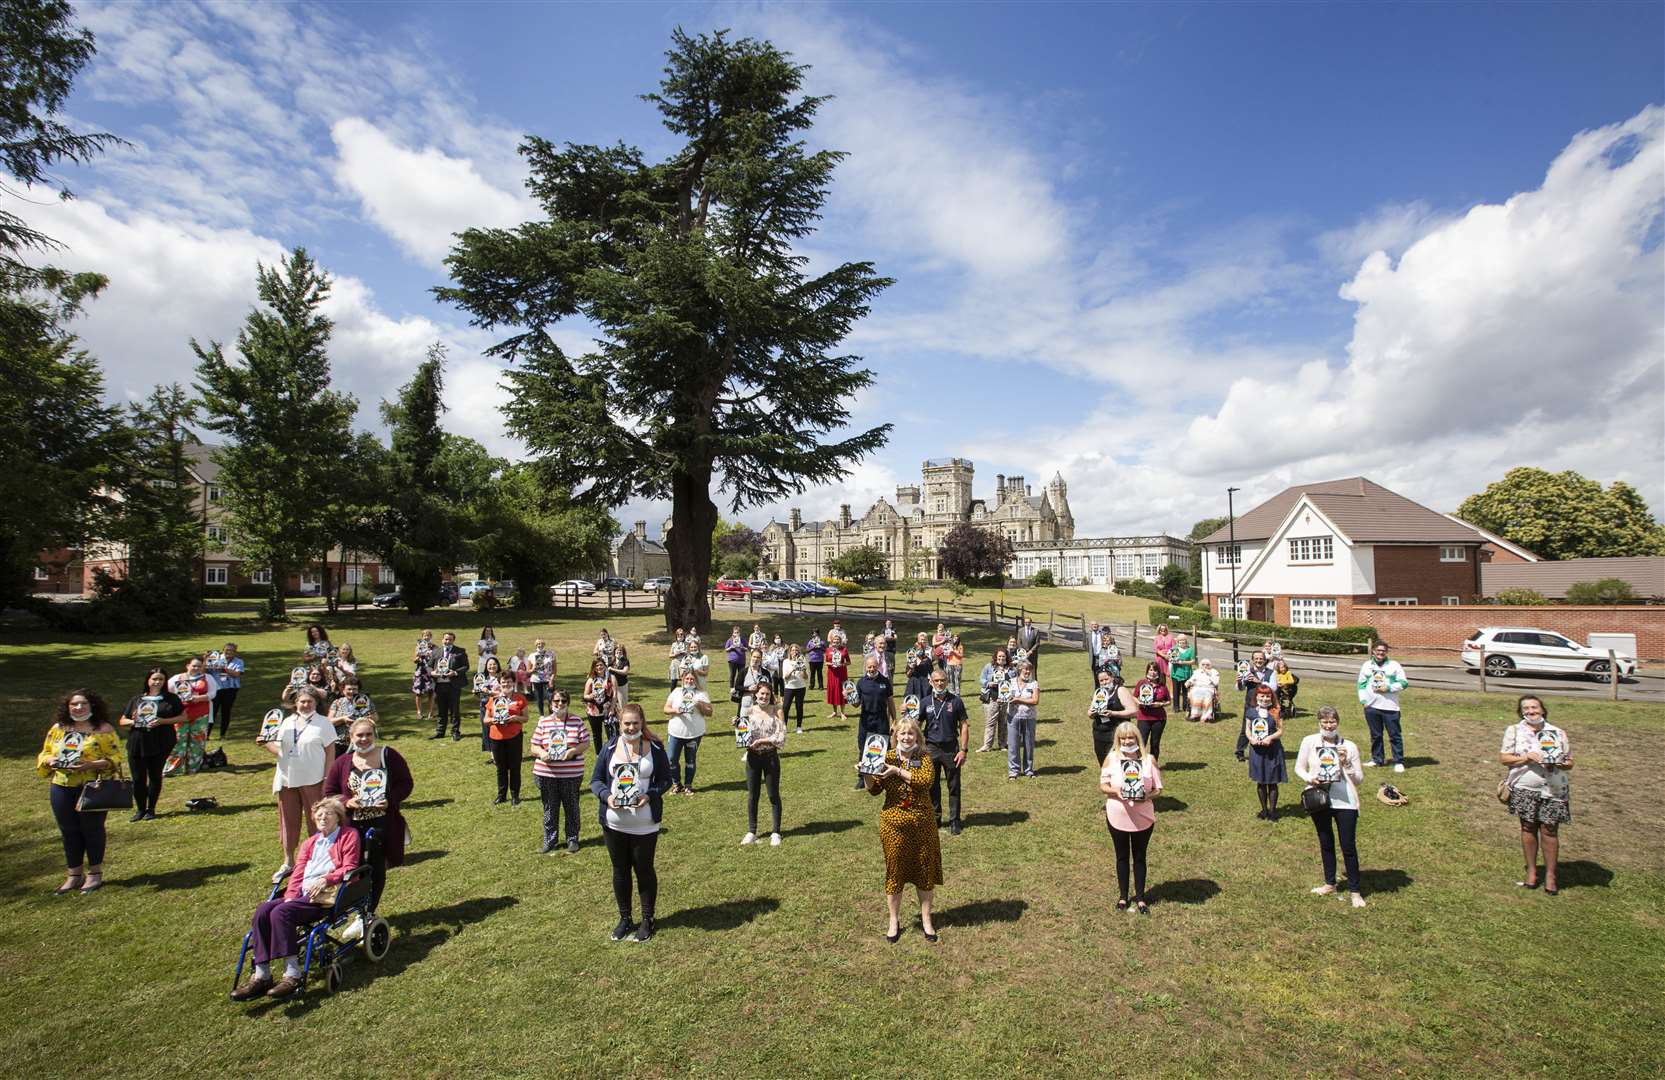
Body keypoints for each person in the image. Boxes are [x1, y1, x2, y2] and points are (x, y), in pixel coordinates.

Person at [230, 797, 361, 1001]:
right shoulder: (310, 842)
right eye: (319, 815)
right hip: (302, 894)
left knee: (281, 912)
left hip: (326, 895)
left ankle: (293, 974)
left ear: (338, 817)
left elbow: (350, 867)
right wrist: (290, 896)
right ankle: (262, 974)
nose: (323, 818)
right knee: (263, 910)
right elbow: (298, 872)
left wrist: (326, 879)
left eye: (328, 814)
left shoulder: (348, 835)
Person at [590, 703, 673, 942]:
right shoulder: (609, 747)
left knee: (644, 870)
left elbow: (666, 779)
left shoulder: (654, 747)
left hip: (645, 823)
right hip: (614, 822)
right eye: (627, 723)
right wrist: (607, 797)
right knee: (620, 870)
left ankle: (648, 919)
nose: (631, 727)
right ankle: (625, 918)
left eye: (635, 723)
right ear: (619, 723)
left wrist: (650, 795)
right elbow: (595, 781)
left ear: (642, 723)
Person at [862, 715, 942, 942]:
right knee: (895, 870)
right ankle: (893, 920)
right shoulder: (885, 757)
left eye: (910, 733)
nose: (906, 737)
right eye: (902, 733)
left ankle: (927, 919)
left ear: (917, 735)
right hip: (893, 824)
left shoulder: (924, 756)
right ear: (895, 737)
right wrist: (867, 772)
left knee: (924, 870)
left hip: (922, 823)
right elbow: (874, 789)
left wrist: (897, 772)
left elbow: (924, 782)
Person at [37, 689, 122, 894]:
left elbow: (116, 758)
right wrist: (50, 761)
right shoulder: (59, 728)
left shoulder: (102, 729)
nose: (78, 707)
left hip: (92, 788)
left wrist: (90, 765)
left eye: (83, 704)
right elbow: (45, 752)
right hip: (62, 787)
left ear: (92, 706)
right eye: (73, 704)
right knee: (69, 832)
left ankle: (94, 874)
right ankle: (74, 875)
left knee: (92, 830)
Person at [323, 718, 413, 910]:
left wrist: (391, 800)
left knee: (375, 867)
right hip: (352, 826)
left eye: (368, 734)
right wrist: (346, 802)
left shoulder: (388, 755)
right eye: (359, 735)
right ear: (351, 737)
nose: (364, 739)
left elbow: (406, 783)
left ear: (375, 734)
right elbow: (329, 791)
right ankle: (358, 908)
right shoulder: (342, 762)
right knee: (354, 868)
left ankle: (369, 911)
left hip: (382, 823)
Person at [1499, 695, 1573, 895]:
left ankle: (1550, 875)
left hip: (1554, 788)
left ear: (1542, 709)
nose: (1531, 711)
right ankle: (1531, 871)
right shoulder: (1514, 731)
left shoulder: (1557, 732)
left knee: (1550, 830)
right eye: (1526, 708)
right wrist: (1526, 757)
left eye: (1534, 707)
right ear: (1522, 712)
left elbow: (1570, 762)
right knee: (1528, 826)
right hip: (1525, 786)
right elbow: (1504, 758)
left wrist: (1558, 761)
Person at [1295, 705, 1367, 908]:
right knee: (1325, 842)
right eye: (1324, 722)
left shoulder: (1349, 746)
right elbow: (1299, 767)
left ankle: (1355, 891)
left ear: (1338, 722)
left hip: (1345, 802)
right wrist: (1311, 778)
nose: (1328, 725)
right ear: (1319, 723)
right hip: (1320, 799)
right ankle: (1330, 883)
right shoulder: (1309, 742)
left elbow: (1359, 779)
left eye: (1332, 721)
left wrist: (1346, 763)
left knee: (1348, 846)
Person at [263, 687, 337, 883]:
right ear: (295, 703)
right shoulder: (286, 722)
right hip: (287, 778)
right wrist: (265, 743)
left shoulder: (324, 724)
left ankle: (318, 859)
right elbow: (277, 748)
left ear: (315, 703)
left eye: (309, 702)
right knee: (288, 820)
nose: (305, 705)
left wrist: (326, 779)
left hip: (313, 779)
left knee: (317, 820)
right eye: (302, 701)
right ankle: (288, 861)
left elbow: (330, 753)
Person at [1100, 721, 1163, 913]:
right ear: (1118, 740)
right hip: (1117, 814)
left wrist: (1147, 795)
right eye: (1123, 738)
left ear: (1137, 738)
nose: (1127, 741)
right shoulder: (1111, 758)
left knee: (1139, 856)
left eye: (1131, 737)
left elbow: (1158, 789)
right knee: (1121, 856)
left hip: (1142, 816)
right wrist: (1115, 792)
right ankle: (1122, 896)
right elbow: (1103, 785)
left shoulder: (1149, 760)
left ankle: (1141, 898)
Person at [119, 668, 184, 821]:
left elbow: (184, 716)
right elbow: (122, 721)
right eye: (154, 679)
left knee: (155, 776)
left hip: (161, 742)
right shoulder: (137, 699)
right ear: (148, 680)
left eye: (161, 679)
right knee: (138, 778)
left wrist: (163, 721)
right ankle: (140, 809)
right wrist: (134, 721)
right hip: (138, 742)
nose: (157, 682)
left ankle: (151, 809)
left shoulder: (171, 698)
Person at [531, 690, 591, 854]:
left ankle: (572, 839)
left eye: (563, 701)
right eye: (556, 701)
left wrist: (572, 751)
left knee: (571, 807)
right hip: (547, 773)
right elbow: (534, 746)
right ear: (551, 703)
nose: (560, 704)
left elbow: (585, 743)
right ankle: (550, 840)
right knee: (550, 807)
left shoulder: (577, 721)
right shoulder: (543, 723)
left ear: (568, 702)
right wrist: (542, 753)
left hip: (570, 774)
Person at [921, 669, 969, 835]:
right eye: (936, 681)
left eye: (942, 680)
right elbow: (915, 725)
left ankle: (955, 820)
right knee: (932, 786)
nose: (940, 683)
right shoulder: (925, 701)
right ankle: (936, 818)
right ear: (931, 682)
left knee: (954, 786)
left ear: (947, 681)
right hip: (931, 749)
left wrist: (963, 750)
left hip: (951, 749)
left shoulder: (955, 701)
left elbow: (963, 725)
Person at [739, 683, 787, 846]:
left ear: (771, 695)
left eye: (767, 694)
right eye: (761, 694)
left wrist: (763, 740)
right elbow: (743, 733)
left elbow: (781, 736)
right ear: (756, 695)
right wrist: (738, 727)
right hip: (753, 758)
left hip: (770, 757)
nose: (764, 697)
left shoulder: (776, 711)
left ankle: (776, 832)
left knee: (773, 795)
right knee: (753, 795)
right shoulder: (748, 711)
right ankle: (752, 831)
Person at [1357, 641, 1409, 772]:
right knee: (1376, 735)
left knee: (1394, 735)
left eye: (1383, 651)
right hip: (1371, 707)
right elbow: (1361, 684)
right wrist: (1363, 701)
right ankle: (1377, 759)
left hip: (1390, 707)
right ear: (1373, 651)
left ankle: (1398, 761)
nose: (1380, 653)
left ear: (1387, 652)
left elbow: (1404, 683)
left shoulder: (1394, 665)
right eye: (1378, 650)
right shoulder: (1367, 665)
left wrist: (1389, 688)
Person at [164, 655, 218, 776]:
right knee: (178, 741)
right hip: (181, 714)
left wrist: (198, 698)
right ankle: (173, 769)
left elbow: (213, 693)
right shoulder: (177, 678)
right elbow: (166, 692)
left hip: (201, 714)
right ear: (188, 666)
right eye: (194, 665)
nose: (196, 668)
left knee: (197, 742)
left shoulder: (207, 678)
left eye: (199, 666)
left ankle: (193, 768)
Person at [662, 670, 712, 795]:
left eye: (692, 679)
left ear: (696, 680)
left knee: (690, 760)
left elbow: (710, 712)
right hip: (676, 732)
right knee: (671, 759)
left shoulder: (701, 694)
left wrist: (699, 704)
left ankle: (688, 785)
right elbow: (665, 709)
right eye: (687, 679)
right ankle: (676, 784)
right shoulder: (676, 692)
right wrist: (674, 710)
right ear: (683, 680)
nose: (689, 681)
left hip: (694, 733)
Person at [852, 655, 896, 789]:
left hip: (882, 718)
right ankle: (862, 777)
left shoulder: (885, 681)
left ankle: (887, 776)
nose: (871, 669)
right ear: (866, 667)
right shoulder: (861, 682)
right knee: (864, 747)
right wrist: (850, 698)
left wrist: (894, 719)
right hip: (866, 719)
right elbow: (856, 704)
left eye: (874, 666)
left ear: (878, 666)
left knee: (885, 747)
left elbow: (890, 701)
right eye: (869, 667)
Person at [1243, 685, 1286, 821]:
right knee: (1261, 782)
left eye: (1268, 696)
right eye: (1262, 695)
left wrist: (1269, 738)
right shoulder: (1250, 711)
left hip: (1272, 750)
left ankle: (1272, 812)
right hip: (1257, 751)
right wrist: (1251, 739)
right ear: (1256, 697)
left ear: (1271, 697)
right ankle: (1264, 809)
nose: (1265, 698)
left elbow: (1280, 731)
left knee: (1272, 782)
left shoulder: (1276, 711)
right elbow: (1247, 729)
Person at [484, 680, 528, 806]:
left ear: (513, 683)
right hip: (496, 737)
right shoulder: (494, 699)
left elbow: (526, 718)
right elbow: (485, 719)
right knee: (500, 768)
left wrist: (516, 718)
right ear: (500, 684)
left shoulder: (520, 698)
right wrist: (494, 719)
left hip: (514, 736)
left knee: (515, 767)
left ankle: (515, 795)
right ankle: (501, 795)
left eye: (509, 682)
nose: (506, 684)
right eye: (503, 682)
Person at [1088, 669, 1140, 766]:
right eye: (1101, 681)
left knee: (1118, 762)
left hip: (1117, 732)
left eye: (1106, 679)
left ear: (1112, 677)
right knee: (1103, 763)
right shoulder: (1099, 692)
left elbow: (1134, 711)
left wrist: (1113, 713)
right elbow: (1089, 712)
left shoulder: (1121, 690)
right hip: (1099, 732)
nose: (1104, 683)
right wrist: (1092, 713)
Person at [1234, 650, 1274, 760]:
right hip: (1251, 705)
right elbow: (1239, 689)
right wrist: (1238, 681)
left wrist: (1259, 682)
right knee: (1246, 728)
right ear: (1252, 660)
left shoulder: (1271, 672)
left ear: (1265, 660)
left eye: (1261, 658)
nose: (1258, 660)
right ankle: (1240, 751)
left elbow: (1274, 688)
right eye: (1256, 658)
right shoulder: (1247, 671)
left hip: (1267, 705)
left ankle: (1265, 750)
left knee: (1268, 727)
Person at [431, 631, 469, 740]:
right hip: (439, 685)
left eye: (450, 640)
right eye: (446, 639)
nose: (447, 641)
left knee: (454, 710)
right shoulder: (436, 651)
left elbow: (466, 666)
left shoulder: (460, 652)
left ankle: (455, 732)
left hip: (453, 685)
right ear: (442, 639)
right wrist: (432, 673)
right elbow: (429, 666)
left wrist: (455, 672)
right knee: (441, 709)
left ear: (453, 640)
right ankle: (440, 732)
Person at [977, 648, 1015, 753]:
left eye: (1003, 656)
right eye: (999, 656)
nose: (1001, 658)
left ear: (1006, 657)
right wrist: (988, 683)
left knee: (1003, 723)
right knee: (990, 722)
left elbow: (1016, 682)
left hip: (1005, 699)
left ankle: (1002, 744)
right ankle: (987, 745)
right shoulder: (989, 667)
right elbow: (981, 679)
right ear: (996, 657)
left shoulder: (1011, 669)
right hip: (992, 698)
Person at [1133, 661, 1170, 766]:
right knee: (1141, 742)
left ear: (1158, 672)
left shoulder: (1162, 685)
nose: (1152, 672)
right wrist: (1139, 702)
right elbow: (1134, 696)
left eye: (1155, 670)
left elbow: (1168, 701)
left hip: (1159, 719)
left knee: (1155, 743)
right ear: (1147, 671)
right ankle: (1139, 764)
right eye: (1150, 670)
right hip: (1143, 717)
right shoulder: (1142, 683)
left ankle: (1153, 765)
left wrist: (1160, 704)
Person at [1007, 660, 1040, 779]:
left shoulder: (1034, 683)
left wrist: (1018, 699)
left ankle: (1028, 770)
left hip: (1029, 717)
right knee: (1013, 745)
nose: (1027, 672)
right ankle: (1013, 772)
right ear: (1019, 669)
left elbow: (1035, 701)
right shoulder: (1010, 682)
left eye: (1029, 670)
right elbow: (1005, 696)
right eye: (1025, 669)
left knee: (1029, 744)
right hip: (1013, 717)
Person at [208, 642, 244, 740]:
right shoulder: (215, 658)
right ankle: (206, 735)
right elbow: (206, 670)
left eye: (232, 650)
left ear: (235, 652)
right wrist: (206, 659)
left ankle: (222, 735)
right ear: (223, 650)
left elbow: (237, 674)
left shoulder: (239, 661)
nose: (229, 652)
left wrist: (224, 669)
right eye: (227, 650)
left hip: (231, 690)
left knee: (226, 712)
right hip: (217, 689)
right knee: (212, 712)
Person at [475, 655, 509, 758]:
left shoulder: (502, 677)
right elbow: (479, 696)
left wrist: (490, 692)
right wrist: (476, 692)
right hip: (484, 706)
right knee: (486, 730)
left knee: (498, 730)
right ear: (486, 666)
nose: (492, 666)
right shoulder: (483, 678)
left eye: (494, 664)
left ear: (498, 665)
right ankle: (493, 755)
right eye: (489, 664)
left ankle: (502, 753)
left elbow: (504, 693)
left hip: (498, 707)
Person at [583, 657, 618, 753]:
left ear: (605, 666)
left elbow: (615, 694)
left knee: (611, 732)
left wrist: (612, 708)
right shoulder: (591, 679)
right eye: (597, 665)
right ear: (594, 668)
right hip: (594, 711)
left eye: (601, 665)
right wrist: (589, 696)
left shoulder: (611, 677)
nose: (599, 667)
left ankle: (613, 752)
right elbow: (585, 695)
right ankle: (599, 754)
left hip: (608, 709)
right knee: (596, 734)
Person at [781, 643, 809, 734]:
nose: (795, 652)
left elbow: (805, 677)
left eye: (796, 650)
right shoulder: (786, 661)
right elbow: (785, 677)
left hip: (800, 687)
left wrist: (803, 670)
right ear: (790, 651)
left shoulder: (802, 661)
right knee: (785, 707)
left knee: (799, 707)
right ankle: (784, 726)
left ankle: (799, 727)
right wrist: (793, 669)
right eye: (793, 650)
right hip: (789, 687)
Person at [412, 630, 436, 729]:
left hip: (430, 672)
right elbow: (414, 659)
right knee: (418, 693)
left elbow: (438, 659)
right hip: (420, 671)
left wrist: (430, 656)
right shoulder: (418, 646)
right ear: (422, 637)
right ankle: (419, 712)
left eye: (429, 635)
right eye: (425, 636)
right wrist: (419, 657)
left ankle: (430, 712)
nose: (427, 637)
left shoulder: (435, 647)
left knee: (431, 693)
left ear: (431, 637)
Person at [735, 649, 767, 723]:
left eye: (758, 657)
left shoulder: (765, 673)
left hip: (761, 705)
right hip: (746, 704)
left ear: (761, 659)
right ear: (751, 657)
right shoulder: (743, 672)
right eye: (754, 657)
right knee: (744, 729)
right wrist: (748, 689)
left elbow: (770, 687)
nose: (756, 659)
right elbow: (737, 686)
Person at [902, 633, 934, 703]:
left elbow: (932, 673)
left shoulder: (927, 660)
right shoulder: (911, 660)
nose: (919, 651)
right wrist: (911, 668)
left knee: (924, 703)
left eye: (920, 649)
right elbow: (908, 675)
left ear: (923, 649)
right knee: (911, 704)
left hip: (924, 684)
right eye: (917, 649)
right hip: (913, 684)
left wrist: (932, 683)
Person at [528, 638, 556, 714]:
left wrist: (552, 679)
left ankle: (552, 714)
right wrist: (533, 669)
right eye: (538, 644)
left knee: (550, 698)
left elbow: (554, 669)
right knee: (539, 699)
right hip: (536, 679)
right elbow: (528, 671)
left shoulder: (551, 654)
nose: (540, 645)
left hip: (548, 679)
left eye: (542, 643)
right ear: (536, 645)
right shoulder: (532, 655)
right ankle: (541, 715)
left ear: (544, 644)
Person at [825, 636, 850, 722]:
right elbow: (826, 662)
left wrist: (842, 664)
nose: (836, 642)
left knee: (842, 692)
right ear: (832, 642)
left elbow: (849, 662)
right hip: (832, 674)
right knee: (833, 691)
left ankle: (843, 713)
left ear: (840, 641)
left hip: (842, 674)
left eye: (838, 641)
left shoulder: (844, 650)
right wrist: (832, 664)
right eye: (834, 641)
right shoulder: (828, 650)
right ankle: (835, 712)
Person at [1168, 634, 1194, 708]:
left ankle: (1185, 706)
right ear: (1178, 642)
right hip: (1176, 673)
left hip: (1187, 673)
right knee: (1176, 691)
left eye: (1184, 642)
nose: (1182, 643)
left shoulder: (1190, 649)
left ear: (1186, 642)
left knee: (1185, 691)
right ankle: (1176, 707)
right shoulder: (1174, 649)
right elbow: (1172, 660)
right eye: (1180, 642)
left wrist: (1182, 662)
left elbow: (1193, 661)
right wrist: (1172, 660)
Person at [725, 627, 746, 692]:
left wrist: (742, 647)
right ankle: (732, 688)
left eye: (737, 632)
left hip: (741, 660)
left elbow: (747, 648)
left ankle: (739, 687)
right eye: (735, 632)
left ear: (739, 633)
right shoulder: (730, 640)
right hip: (732, 660)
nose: (736, 634)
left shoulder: (742, 640)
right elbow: (726, 649)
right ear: (733, 633)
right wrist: (731, 647)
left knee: (741, 675)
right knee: (732, 674)